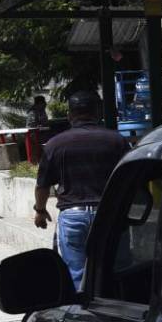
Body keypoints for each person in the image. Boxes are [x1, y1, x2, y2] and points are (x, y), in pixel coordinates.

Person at [33, 89, 128, 289]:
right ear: (98, 113)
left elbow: (42, 185)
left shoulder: (55, 145)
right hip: (109, 215)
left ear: (69, 115)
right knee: (117, 272)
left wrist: (40, 211)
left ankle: (81, 314)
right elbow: (129, 178)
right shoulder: (116, 141)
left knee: (76, 276)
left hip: (73, 217)